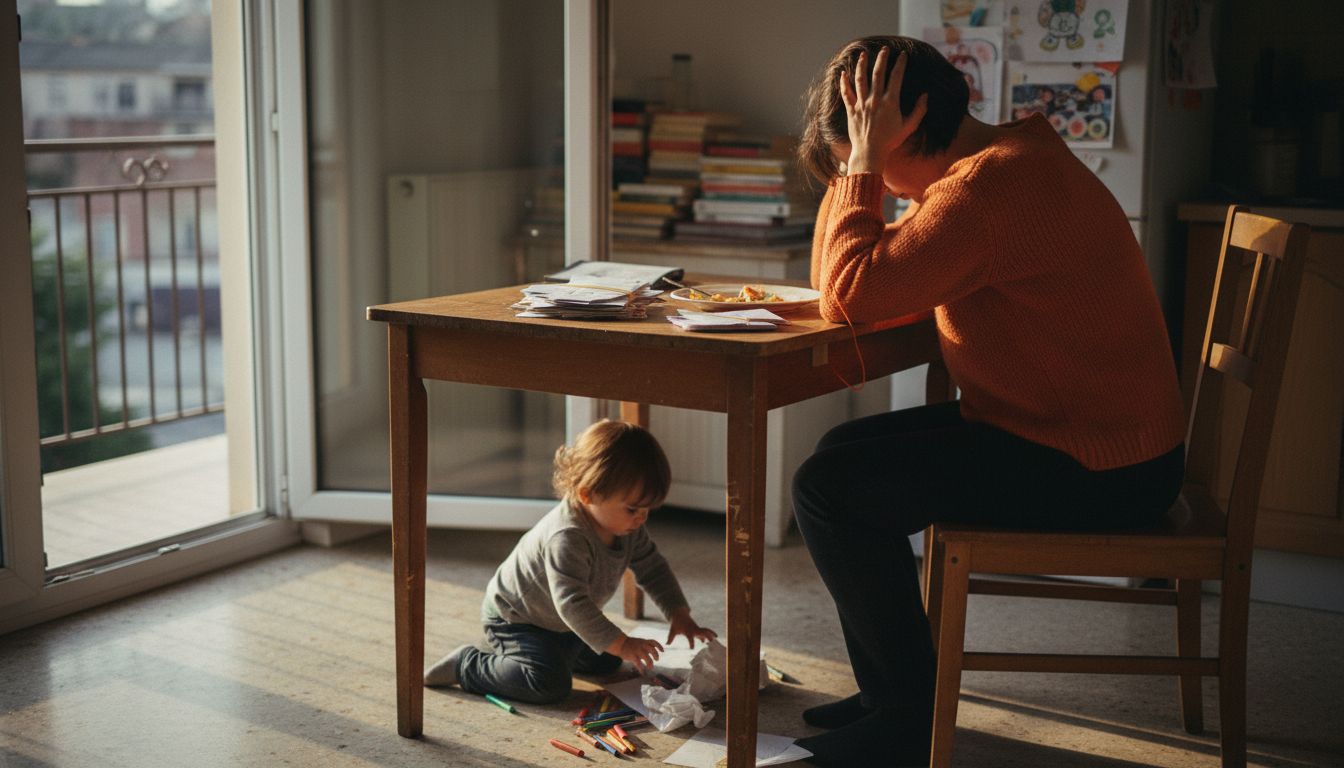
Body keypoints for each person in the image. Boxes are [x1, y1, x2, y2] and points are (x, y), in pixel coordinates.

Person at [790, 36, 1186, 766]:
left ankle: (903, 719)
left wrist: (862, 167)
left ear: (905, 127)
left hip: (1097, 465)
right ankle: (890, 695)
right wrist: (862, 167)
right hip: (1090, 436)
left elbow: (845, 295)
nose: (879, 187)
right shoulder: (1006, 162)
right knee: (839, 454)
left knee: (828, 489)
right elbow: (843, 284)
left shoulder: (982, 192)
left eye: (873, 157)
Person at [424, 419, 717, 704]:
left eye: (647, 510)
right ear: (587, 494)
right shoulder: (567, 537)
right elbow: (572, 604)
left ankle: (557, 652)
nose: (641, 519)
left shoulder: (628, 528)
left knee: (608, 661)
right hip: (517, 619)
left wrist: (678, 614)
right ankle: (467, 664)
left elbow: (652, 568)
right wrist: (622, 643)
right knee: (548, 683)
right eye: (632, 509)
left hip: (560, 622)